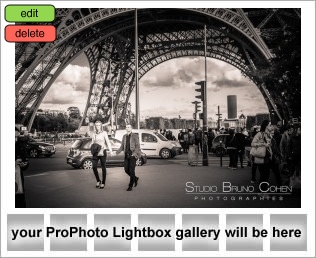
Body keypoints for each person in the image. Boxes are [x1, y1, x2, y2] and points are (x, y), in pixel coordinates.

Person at [116, 124, 142, 191]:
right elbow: (122, 146)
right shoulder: (124, 136)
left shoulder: (135, 136)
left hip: (133, 155)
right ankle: (135, 178)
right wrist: (116, 152)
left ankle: (130, 186)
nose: (127, 128)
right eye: (126, 127)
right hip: (126, 155)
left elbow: (137, 146)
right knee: (126, 170)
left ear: (131, 128)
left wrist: (134, 154)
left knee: (131, 170)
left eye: (128, 127)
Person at [91, 121, 114, 189]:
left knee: (103, 167)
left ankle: (103, 182)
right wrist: (91, 150)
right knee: (94, 166)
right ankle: (98, 180)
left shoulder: (104, 133)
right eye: (96, 125)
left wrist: (111, 151)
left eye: (99, 125)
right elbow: (93, 143)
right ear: (95, 126)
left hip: (102, 151)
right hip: (95, 152)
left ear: (101, 126)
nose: (98, 126)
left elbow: (108, 142)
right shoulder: (94, 133)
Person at [251, 120, 272, 192]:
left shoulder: (268, 134)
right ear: (266, 126)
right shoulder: (259, 134)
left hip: (267, 157)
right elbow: (253, 144)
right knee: (264, 175)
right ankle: (262, 191)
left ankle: (263, 190)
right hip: (261, 157)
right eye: (269, 125)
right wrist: (263, 144)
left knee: (266, 175)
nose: (271, 126)